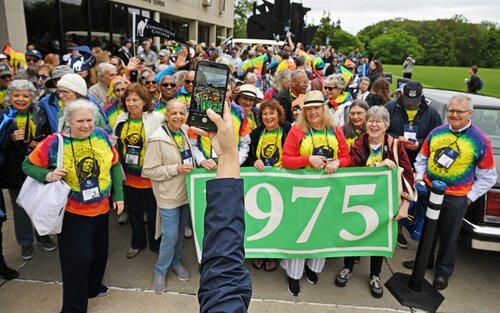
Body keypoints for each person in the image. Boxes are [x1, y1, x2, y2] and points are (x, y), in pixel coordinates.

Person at [22, 99, 124, 312]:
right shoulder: (55, 142)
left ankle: (93, 288)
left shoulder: (101, 135)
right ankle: (73, 308)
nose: (86, 125)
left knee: (99, 254)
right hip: (72, 212)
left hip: (102, 208)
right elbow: (28, 165)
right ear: (69, 121)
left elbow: (114, 165)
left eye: (89, 120)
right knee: (78, 260)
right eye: (80, 121)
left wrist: (119, 196)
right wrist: (47, 175)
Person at [403, 95, 497, 290]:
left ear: (470, 114)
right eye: (451, 110)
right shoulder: (436, 133)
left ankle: (443, 272)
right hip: (429, 191)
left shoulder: (480, 140)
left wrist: (469, 198)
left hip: (456, 197)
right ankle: (424, 262)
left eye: (459, 112)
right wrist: (419, 179)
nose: (454, 115)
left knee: (448, 235)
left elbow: (488, 176)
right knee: (427, 229)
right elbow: (422, 159)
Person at [335, 105, 414, 299]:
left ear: (386, 125)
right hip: (359, 199)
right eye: (371, 120)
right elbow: (353, 172)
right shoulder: (358, 144)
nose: (374, 124)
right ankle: (348, 267)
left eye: (379, 121)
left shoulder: (395, 146)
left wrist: (405, 203)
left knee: (378, 236)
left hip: (383, 202)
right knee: (354, 232)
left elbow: (408, 175)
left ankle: (375, 275)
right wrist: (379, 166)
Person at [281, 90, 351, 296]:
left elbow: (347, 157)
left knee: (322, 229)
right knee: (301, 230)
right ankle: (294, 274)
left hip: (329, 191)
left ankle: (313, 267)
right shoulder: (297, 131)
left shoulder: (335, 130)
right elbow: (286, 159)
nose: (313, 112)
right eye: (309, 108)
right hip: (303, 190)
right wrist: (307, 160)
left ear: (324, 108)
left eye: (316, 108)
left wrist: (338, 162)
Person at [192, 99, 252, 313]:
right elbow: (222, 277)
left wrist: (228, 155)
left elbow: (222, 279)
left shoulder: (240, 115)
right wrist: (228, 155)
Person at [142, 99, 194, 293]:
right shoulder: (157, 138)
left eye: (181, 113)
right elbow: (149, 170)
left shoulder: (184, 131)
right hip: (168, 197)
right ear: (166, 115)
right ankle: (160, 270)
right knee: (170, 235)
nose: (178, 116)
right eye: (173, 113)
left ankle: (177, 261)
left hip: (185, 194)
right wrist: (175, 169)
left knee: (180, 233)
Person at [0, 80, 54, 260]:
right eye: (16, 95)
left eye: (25, 95)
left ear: (32, 98)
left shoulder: (39, 113)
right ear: (9, 97)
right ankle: (25, 242)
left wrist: (42, 143)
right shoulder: (3, 116)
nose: (21, 99)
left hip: (37, 166)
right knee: (20, 208)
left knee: (40, 204)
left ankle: (43, 236)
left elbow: (48, 135)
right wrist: (10, 137)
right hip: (13, 170)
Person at [385, 80, 442, 248]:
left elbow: (437, 137)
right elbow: (380, 129)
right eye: (407, 102)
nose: (410, 105)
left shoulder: (432, 113)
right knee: (394, 193)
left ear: (421, 97)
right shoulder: (390, 108)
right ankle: (396, 229)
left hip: (419, 161)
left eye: (414, 102)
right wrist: (397, 140)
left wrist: (419, 143)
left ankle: (407, 226)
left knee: (411, 196)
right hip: (394, 158)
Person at [113, 83, 165, 258]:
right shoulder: (121, 119)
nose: (131, 103)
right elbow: (116, 146)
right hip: (129, 176)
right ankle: (137, 242)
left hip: (151, 176)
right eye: (127, 100)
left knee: (153, 212)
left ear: (144, 101)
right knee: (134, 211)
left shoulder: (157, 118)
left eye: (135, 99)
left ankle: (155, 242)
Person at [245, 99, 292, 272]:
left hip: (282, 182)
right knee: (260, 217)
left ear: (279, 115)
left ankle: (272, 253)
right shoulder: (256, 133)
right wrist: (254, 161)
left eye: (272, 113)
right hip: (260, 182)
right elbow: (247, 156)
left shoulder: (288, 130)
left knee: (278, 217)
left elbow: (295, 152)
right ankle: (259, 251)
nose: (268, 116)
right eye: (264, 114)